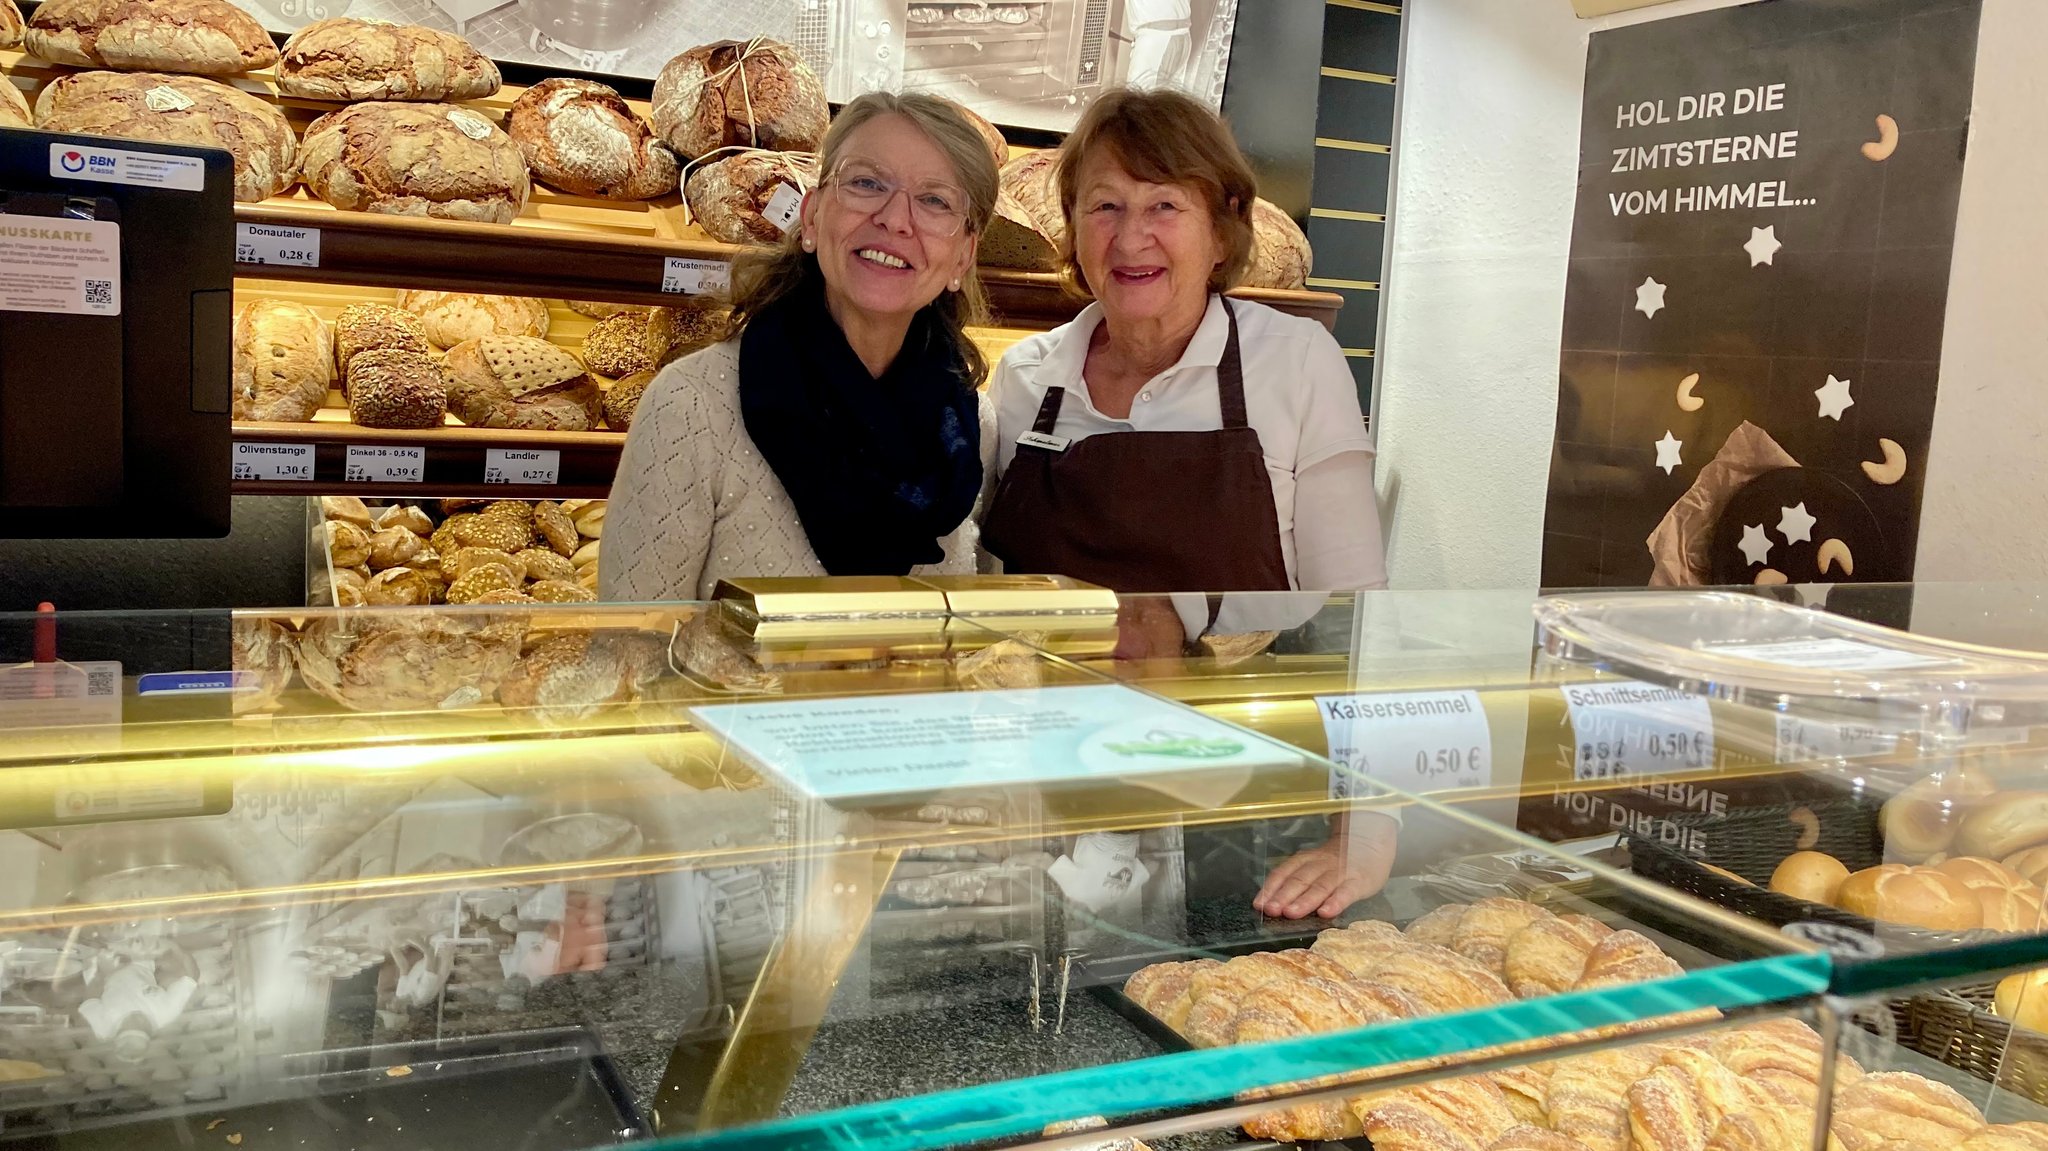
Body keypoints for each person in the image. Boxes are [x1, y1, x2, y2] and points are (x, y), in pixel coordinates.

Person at [983, 87, 1394, 919]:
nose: (1130, 237)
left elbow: (1360, 624)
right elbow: (989, 615)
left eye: (1164, 204)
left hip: (1242, 816)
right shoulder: (1027, 380)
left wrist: (1367, 831)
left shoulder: (1294, 363)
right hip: (1050, 812)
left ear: (1223, 226)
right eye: (1104, 205)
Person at [601, 93, 999, 602]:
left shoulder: (971, 426)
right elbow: (633, 644)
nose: (896, 219)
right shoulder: (693, 406)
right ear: (810, 219)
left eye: (935, 200)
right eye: (866, 183)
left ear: (963, 256)